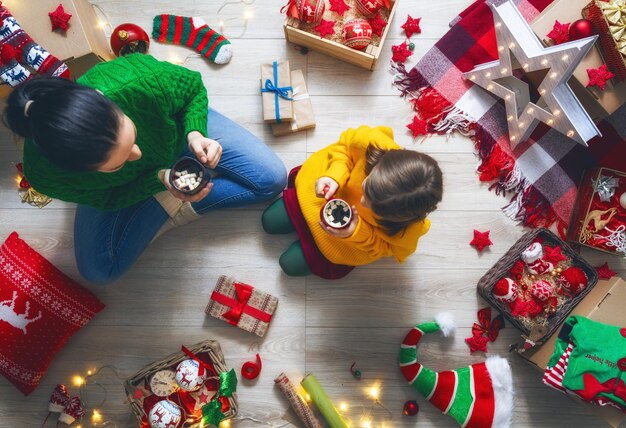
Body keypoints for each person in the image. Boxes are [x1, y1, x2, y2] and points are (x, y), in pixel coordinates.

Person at [3, 53, 287, 285]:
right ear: (83, 169)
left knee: (272, 180)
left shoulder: (138, 80)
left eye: (131, 135)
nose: (137, 154)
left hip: (178, 135)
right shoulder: (48, 177)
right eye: (119, 161)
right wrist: (160, 179)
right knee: (99, 272)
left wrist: (195, 133)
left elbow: (193, 89)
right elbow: (108, 200)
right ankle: (167, 201)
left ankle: (164, 205)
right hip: (132, 186)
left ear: (106, 99)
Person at [262, 125, 443, 279]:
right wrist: (334, 175)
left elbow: (386, 249)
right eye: (367, 189)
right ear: (377, 165)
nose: (363, 202)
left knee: (288, 265)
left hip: (341, 245)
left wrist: (355, 233)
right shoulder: (372, 143)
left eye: (375, 208)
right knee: (269, 221)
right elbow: (343, 147)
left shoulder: (409, 231)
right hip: (314, 198)